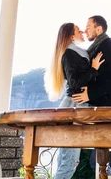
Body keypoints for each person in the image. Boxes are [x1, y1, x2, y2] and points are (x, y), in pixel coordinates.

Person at [44, 22, 104, 179]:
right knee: (69, 162)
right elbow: (75, 83)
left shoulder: (76, 53)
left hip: (76, 105)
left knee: (68, 161)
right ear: (71, 36)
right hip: (74, 105)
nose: (83, 31)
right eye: (78, 30)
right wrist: (94, 68)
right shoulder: (70, 55)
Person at [72, 15, 111, 176]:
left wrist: (90, 94)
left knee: (99, 160)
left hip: (110, 111)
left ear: (99, 29)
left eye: (89, 26)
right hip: (98, 111)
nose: (85, 29)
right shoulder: (91, 51)